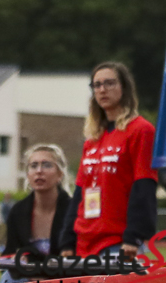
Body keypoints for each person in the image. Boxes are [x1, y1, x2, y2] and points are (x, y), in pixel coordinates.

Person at [59, 62, 157, 261]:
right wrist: (67, 239)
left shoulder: (140, 130)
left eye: (109, 83)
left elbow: (144, 184)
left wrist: (134, 235)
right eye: (97, 85)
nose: (102, 90)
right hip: (84, 242)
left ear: (124, 88)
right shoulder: (92, 139)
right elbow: (80, 192)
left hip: (119, 242)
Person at [1, 144, 72, 272]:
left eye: (47, 165)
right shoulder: (18, 211)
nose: (39, 171)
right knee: (8, 277)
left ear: (60, 174)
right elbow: (8, 253)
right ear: (28, 175)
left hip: (65, 277)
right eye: (33, 166)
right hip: (27, 277)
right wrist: (16, 258)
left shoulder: (73, 210)